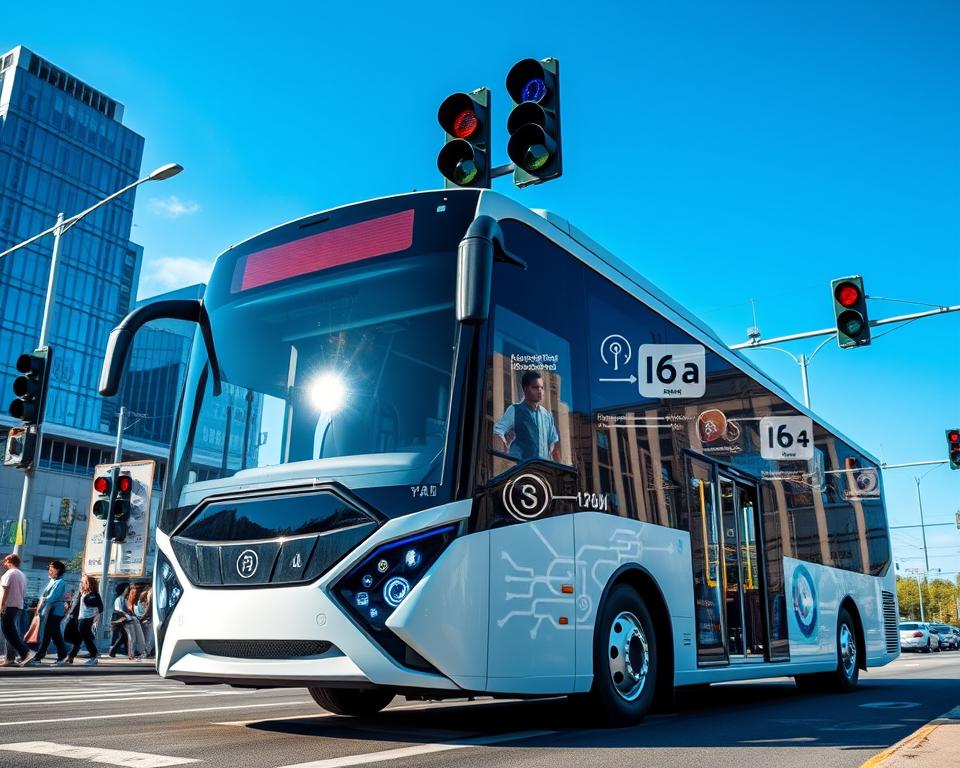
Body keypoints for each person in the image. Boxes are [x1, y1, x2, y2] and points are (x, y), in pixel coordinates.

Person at [493, 371, 561, 462]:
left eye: (542, 388)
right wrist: (503, 457)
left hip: (543, 471)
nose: (540, 391)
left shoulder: (547, 416)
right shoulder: (515, 410)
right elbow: (497, 432)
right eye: (535, 388)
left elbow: (554, 446)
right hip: (522, 470)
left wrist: (559, 472)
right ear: (525, 389)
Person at [23, 560, 68, 666]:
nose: (50, 571)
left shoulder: (60, 582)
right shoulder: (52, 581)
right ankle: (44, 656)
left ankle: (57, 656)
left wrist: (43, 600)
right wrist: (40, 604)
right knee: (49, 634)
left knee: (52, 634)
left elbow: (52, 597)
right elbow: (45, 596)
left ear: (58, 570)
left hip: (55, 612)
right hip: (48, 611)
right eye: (49, 569)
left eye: (52, 569)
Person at [66, 575, 103, 665]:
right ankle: (71, 657)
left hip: (86, 619)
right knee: (78, 639)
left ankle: (94, 657)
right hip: (80, 618)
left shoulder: (94, 594)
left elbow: (101, 607)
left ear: (88, 583)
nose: (81, 583)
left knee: (86, 639)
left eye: (83, 582)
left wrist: (96, 616)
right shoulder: (82, 593)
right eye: (81, 582)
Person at [0, 554, 29, 665]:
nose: (4, 563)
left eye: (6, 561)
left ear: (10, 561)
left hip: (8, 605)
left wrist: (2, 605)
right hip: (17, 605)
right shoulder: (21, 574)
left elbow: (5, 590)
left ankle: (25, 652)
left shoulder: (10, 573)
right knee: (10, 630)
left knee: (8, 631)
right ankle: (10, 658)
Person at [117, 583, 145, 660]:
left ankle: (135, 653)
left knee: (136, 638)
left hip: (133, 620)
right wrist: (129, 616)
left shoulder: (127, 600)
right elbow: (120, 611)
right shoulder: (122, 600)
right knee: (132, 638)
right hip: (128, 621)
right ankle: (131, 655)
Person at [108, 583, 128, 657]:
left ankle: (125, 650)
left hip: (121, 617)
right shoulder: (118, 599)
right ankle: (113, 650)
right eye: (126, 588)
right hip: (117, 617)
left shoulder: (124, 599)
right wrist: (126, 614)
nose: (127, 590)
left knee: (123, 635)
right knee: (119, 635)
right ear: (123, 590)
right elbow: (118, 609)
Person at [135, 585, 154, 657]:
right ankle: (147, 652)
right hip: (149, 619)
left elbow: (148, 610)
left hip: (148, 620)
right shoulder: (150, 594)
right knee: (148, 637)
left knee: (147, 637)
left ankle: (146, 653)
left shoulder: (150, 595)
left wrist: (141, 618)